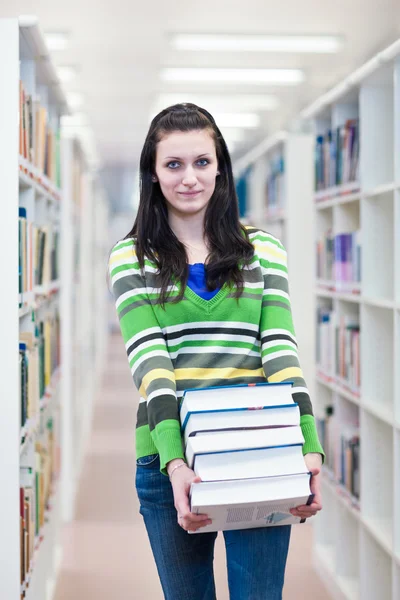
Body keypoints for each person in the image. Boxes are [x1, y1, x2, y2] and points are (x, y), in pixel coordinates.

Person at [108, 103, 324, 600]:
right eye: (174, 164)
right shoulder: (132, 257)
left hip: (260, 449)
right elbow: (152, 367)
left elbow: (280, 351)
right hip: (171, 457)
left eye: (202, 162)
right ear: (153, 173)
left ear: (221, 167)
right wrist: (178, 464)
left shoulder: (262, 249)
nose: (189, 178)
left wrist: (307, 446)